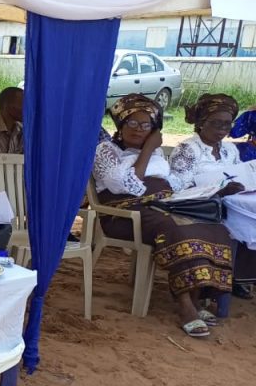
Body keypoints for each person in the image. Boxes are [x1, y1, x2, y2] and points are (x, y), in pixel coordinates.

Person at [92, 94, 235, 338]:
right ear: (120, 124)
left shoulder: (158, 156)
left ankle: (197, 297)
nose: (138, 129)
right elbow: (125, 185)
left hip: (163, 205)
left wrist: (213, 188)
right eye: (131, 123)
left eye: (145, 125)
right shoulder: (106, 150)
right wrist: (148, 148)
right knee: (175, 229)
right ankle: (185, 306)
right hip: (125, 213)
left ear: (153, 128)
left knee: (211, 224)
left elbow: (174, 183)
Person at [169, 93, 256, 298]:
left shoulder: (229, 150)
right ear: (201, 122)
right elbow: (178, 190)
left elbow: (238, 175)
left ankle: (240, 275)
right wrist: (217, 189)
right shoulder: (188, 149)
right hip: (200, 207)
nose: (222, 130)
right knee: (244, 222)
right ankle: (222, 282)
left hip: (231, 203)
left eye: (227, 125)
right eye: (216, 124)